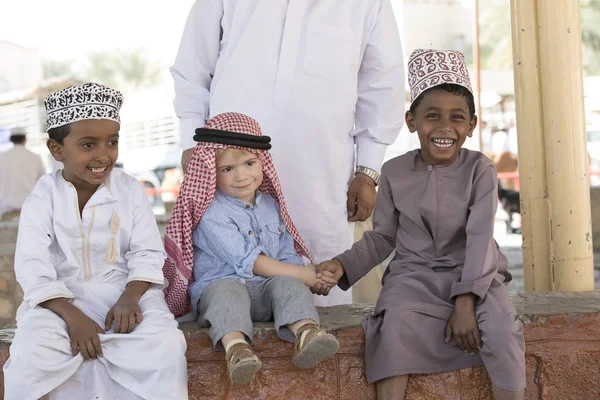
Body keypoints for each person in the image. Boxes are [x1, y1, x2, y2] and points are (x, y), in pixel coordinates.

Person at [313, 50, 526, 400]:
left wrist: (465, 301)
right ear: (412, 121)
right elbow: (382, 237)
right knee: (393, 323)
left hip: (476, 274)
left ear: (471, 125)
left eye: (457, 118)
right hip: (413, 276)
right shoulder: (394, 172)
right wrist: (341, 265)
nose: (445, 128)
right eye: (432, 116)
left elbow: (479, 239)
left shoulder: (480, 170)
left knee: (501, 329)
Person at [170, 0, 405, 306]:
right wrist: (192, 139)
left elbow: (382, 85)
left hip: (321, 179)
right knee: (227, 287)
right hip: (229, 170)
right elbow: (192, 67)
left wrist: (368, 171)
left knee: (320, 296)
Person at [3, 83, 188, 400]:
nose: (104, 155)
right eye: (88, 145)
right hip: (59, 301)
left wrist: (130, 298)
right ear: (57, 149)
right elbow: (33, 268)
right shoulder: (42, 197)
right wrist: (74, 318)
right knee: (33, 350)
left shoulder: (129, 190)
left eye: (112, 142)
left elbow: (147, 252)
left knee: (165, 346)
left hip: (125, 292)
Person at [163, 112, 339, 385]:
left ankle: (306, 333)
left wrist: (308, 274)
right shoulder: (210, 212)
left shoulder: (270, 204)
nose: (242, 176)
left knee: (289, 286)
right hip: (224, 284)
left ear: (262, 162)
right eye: (228, 169)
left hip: (266, 291)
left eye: (249, 163)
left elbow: (285, 255)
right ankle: (237, 349)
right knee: (227, 294)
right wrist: (305, 275)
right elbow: (249, 261)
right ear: (211, 171)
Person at [0, 127, 46, 220]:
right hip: (31, 210)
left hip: (7, 212)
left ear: (11, 139)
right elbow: (43, 183)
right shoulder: (35, 157)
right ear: (25, 139)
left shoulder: (2, 158)